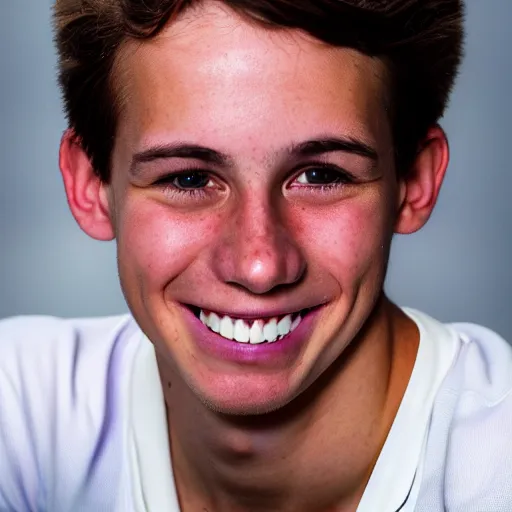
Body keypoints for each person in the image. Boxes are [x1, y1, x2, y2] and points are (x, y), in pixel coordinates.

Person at [1, 0, 511, 510]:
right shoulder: (24, 411)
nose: (259, 267)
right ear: (92, 184)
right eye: (188, 179)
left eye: (320, 175)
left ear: (414, 182)